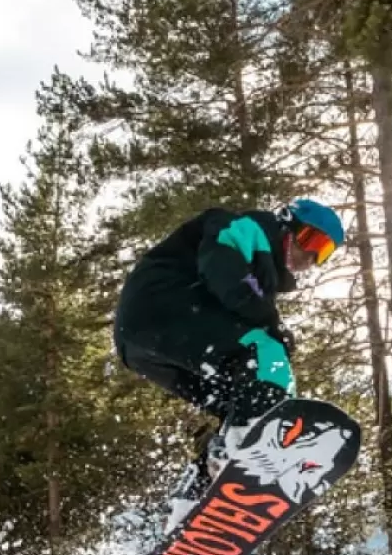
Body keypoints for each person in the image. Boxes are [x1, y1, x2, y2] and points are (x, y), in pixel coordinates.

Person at [114, 198, 345, 527]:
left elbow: (240, 295)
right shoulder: (247, 229)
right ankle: (244, 450)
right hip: (163, 306)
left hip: (143, 343)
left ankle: (193, 500)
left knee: (235, 399)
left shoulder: (261, 280)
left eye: (322, 253)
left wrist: (268, 321)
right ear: (286, 224)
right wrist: (269, 324)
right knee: (266, 358)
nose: (310, 257)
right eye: (312, 240)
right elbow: (224, 271)